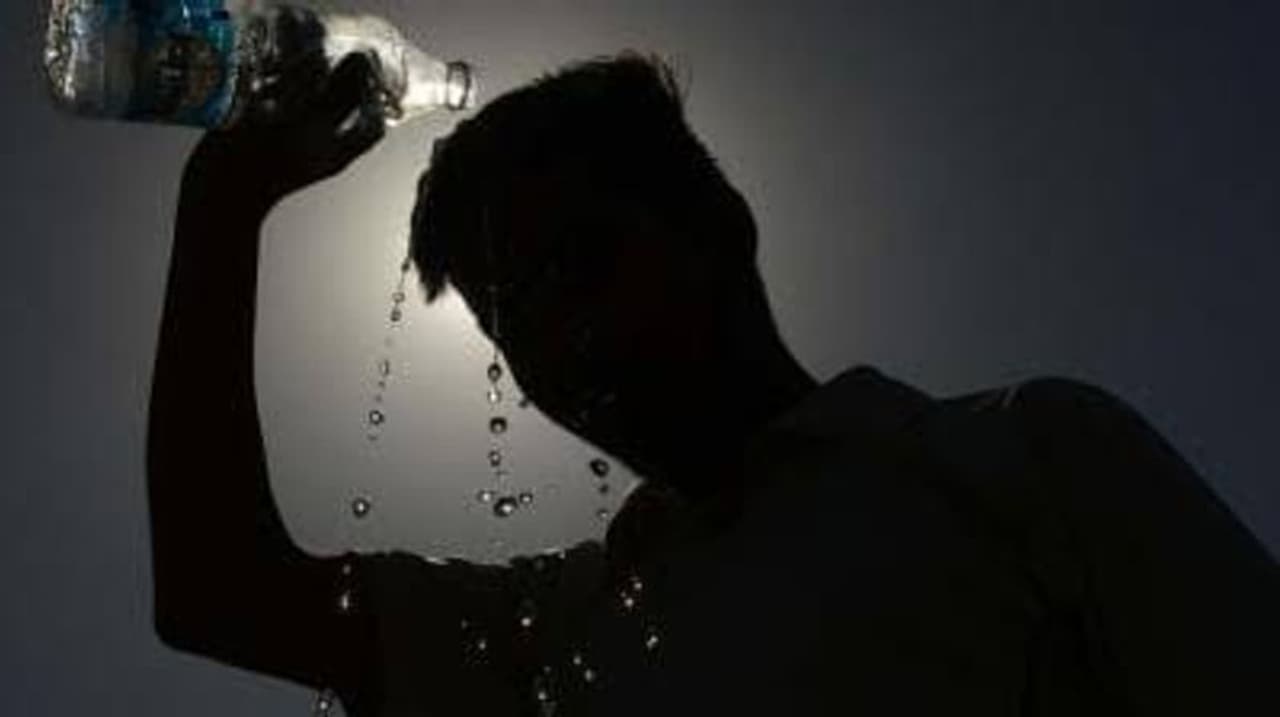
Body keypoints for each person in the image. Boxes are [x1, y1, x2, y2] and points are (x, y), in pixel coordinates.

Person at [146, 52, 1279, 716]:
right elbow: (221, 594)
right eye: (512, 318)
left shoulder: (1023, 459)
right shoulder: (562, 628)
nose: (559, 335)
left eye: (582, 262)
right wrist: (223, 205)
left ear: (718, 224)